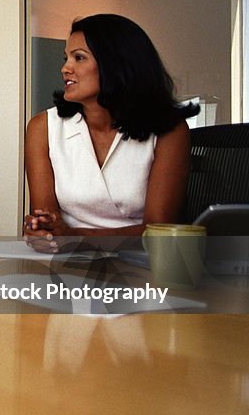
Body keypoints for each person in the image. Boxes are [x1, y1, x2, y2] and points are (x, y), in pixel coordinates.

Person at [24, 14, 197, 247]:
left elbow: (159, 231)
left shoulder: (169, 130)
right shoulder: (42, 128)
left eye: (79, 58)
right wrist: (43, 231)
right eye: (66, 58)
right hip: (66, 261)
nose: (65, 68)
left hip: (142, 264)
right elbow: (46, 220)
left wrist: (75, 237)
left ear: (114, 63)